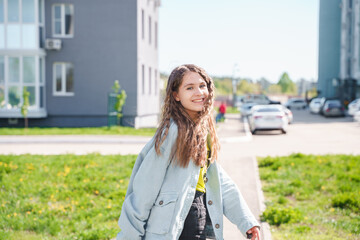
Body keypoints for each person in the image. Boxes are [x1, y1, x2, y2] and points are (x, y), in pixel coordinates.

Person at [116, 64, 260, 240]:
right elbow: (144, 191)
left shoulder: (202, 129)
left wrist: (246, 221)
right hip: (176, 225)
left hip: (201, 217)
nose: (199, 92)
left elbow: (218, 180)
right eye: (190, 88)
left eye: (202, 86)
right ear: (176, 95)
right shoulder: (172, 133)